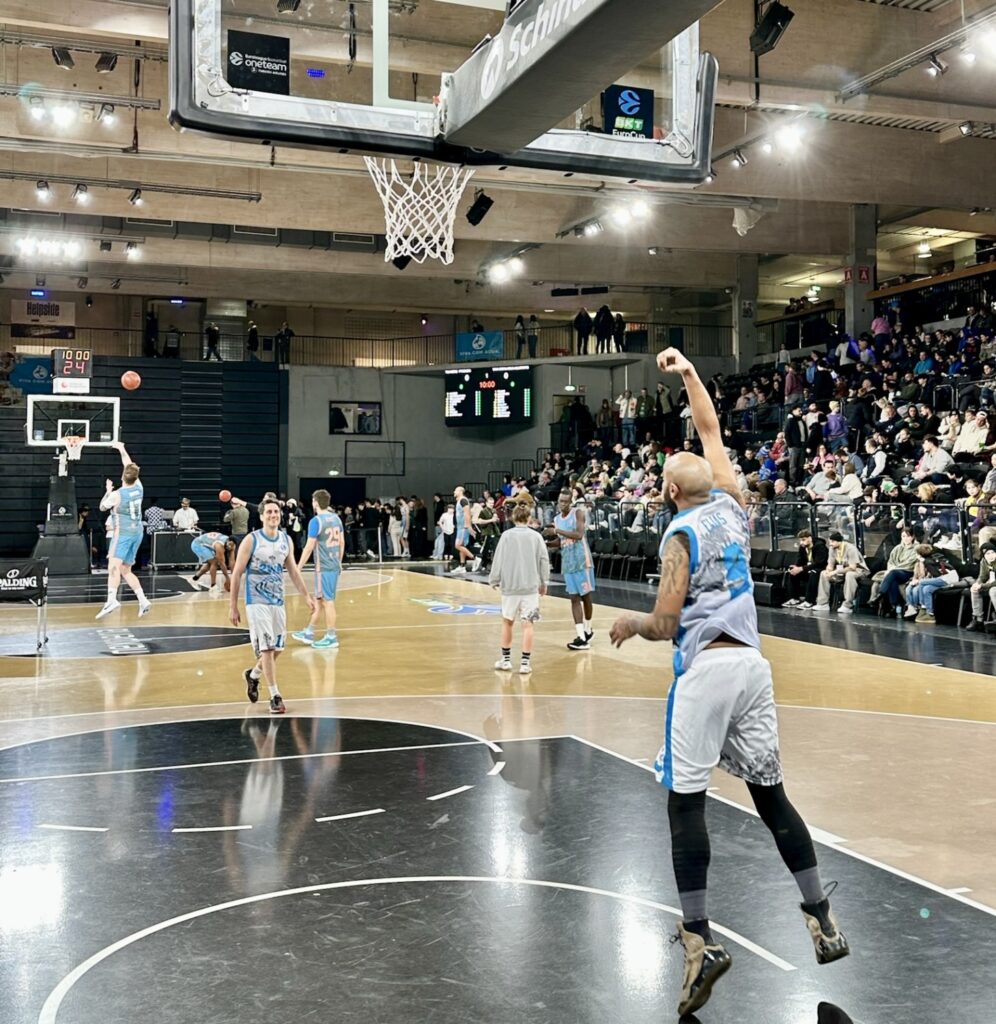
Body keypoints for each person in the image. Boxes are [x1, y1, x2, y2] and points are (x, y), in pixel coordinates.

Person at [608, 347, 849, 1017]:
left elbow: (666, 621)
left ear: (667, 493)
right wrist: (687, 374)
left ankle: (700, 939)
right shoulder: (734, 503)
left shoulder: (680, 533)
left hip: (708, 671)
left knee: (685, 805)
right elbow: (711, 431)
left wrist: (632, 622)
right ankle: (820, 915)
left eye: (661, 476)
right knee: (772, 797)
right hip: (753, 668)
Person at [229, 498, 316, 714]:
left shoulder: (286, 540)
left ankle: (253, 675)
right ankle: (275, 696)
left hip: (277, 601)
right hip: (256, 601)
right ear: (261, 516)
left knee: (277, 649)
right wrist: (233, 606)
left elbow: (293, 571)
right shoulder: (251, 540)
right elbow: (237, 572)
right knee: (267, 649)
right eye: (268, 512)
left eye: (276, 511)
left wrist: (306, 595)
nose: (273, 515)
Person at [488, 502, 550, 675]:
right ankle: (525, 663)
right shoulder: (536, 537)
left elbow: (498, 558)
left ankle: (506, 660)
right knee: (528, 624)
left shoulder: (506, 536)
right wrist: (544, 582)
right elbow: (544, 560)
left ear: (513, 517)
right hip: (530, 587)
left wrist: (494, 579)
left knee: (507, 621)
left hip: (510, 586)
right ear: (529, 517)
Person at [96, 441, 152, 620]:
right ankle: (143, 600)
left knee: (113, 566)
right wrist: (122, 449)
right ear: (136, 477)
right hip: (137, 532)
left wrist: (107, 491)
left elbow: (102, 508)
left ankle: (111, 600)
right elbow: (128, 464)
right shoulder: (139, 487)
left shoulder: (116, 495)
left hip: (124, 533)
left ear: (122, 477)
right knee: (126, 569)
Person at [292, 489, 344, 649]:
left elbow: (308, 547)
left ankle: (331, 636)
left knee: (328, 602)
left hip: (324, 568)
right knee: (319, 600)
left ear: (315, 502)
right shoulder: (336, 519)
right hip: (333, 564)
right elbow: (342, 542)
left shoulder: (316, 521)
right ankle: (309, 631)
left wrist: (297, 567)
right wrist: (339, 561)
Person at [552, 489, 595, 650]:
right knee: (574, 598)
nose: (562, 504)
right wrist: (546, 542)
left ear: (570, 502)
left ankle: (588, 629)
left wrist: (557, 531)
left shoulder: (578, 513)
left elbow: (578, 534)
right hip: (568, 562)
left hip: (582, 561)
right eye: (560, 501)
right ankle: (581, 637)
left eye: (565, 501)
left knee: (586, 597)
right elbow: (560, 541)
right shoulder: (556, 519)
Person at [815, 530, 869, 613]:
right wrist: (828, 570)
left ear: (839, 542)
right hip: (842, 570)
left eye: (832, 542)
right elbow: (830, 564)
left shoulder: (851, 548)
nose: (830, 544)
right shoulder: (832, 549)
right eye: (830, 541)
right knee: (823, 573)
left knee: (850, 575)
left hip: (859, 570)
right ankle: (823, 603)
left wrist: (835, 572)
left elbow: (852, 567)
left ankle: (847, 605)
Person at [449, 485, 477, 574]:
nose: (454, 492)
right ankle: (462, 566)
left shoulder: (463, 500)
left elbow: (467, 513)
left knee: (458, 545)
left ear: (460, 491)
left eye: (455, 490)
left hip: (463, 527)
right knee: (462, 547)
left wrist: (468, 526)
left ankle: (475, 559)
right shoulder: (460, 501)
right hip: (460, 527)